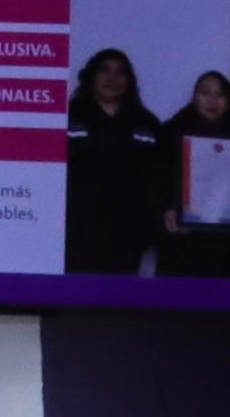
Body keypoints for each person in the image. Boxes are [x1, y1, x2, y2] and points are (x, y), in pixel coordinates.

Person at [60, 49, 167, 274]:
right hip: (75, 232)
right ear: (91, 76)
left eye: (120, 72)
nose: (112, 78)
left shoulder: (146, 124)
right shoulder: (67, 119)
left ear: (129, 81)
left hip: (127, 234)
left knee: (119, 294)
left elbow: (160, 179)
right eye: (105, 70)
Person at [154, 71, 230, 279]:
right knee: (175, 295)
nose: (212, 101)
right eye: (205, 93)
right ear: (195, 96)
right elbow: (156, 179)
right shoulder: (172, 130)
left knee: (219, 296)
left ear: (228, 100)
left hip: (222, 241)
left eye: (220, 95)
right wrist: (164, 212)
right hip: (179, 239)